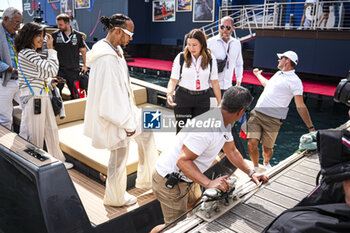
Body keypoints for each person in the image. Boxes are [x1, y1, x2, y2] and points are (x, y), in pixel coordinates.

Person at [151, 86, 269, 233]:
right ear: (241, 112)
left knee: (194, 210)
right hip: (169, 182)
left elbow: (231, 150)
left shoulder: (224, 120)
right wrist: (209, 183)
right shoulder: (206, 129)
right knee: (175, 229)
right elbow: (182, 161)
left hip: (188, 178)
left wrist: (251, 172)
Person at [84, 14, 158, 207]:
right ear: (118, 31)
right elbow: (108, 99)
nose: (131, 38)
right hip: (115, 118)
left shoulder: (115, 50)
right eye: (129, 34)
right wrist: (127, 124)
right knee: (118, 159)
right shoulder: (106, 59)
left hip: (125, 112)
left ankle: (147, 179)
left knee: (148, 130)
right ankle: (115, 198)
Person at [15, 22, 73, 169]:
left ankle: (57, 160)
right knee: (35, 134)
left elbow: (42, 74)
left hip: (41, 96)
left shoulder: (32, 53)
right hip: (35, 98)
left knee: (51, 130)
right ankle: (34, 164)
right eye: (37, 35)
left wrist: (48, 80)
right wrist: (51, 50)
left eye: (42, 35)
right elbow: (52, 69)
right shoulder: (27, 52)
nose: (41, 39)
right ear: (29, 36)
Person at [247, 51, 315, 170]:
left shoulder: (296, 81)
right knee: (251, 143)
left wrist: (310, 127)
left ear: (287, 60)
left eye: (280, 58)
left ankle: (267, 163)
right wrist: (257, 75)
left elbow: (300, 105)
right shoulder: (278, 73)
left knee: (267, 149)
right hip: (257, 113)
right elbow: (267, 85)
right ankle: (256, 167)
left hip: (274, 119)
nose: (278, 60)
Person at [166, 29, 221, 133]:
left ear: (202, 44)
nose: (191, 48)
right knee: (182, 131)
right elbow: (173, 79)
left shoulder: (211, 59)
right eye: (189, 44)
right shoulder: (181, 57)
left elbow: (214, 82)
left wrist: (219, 102)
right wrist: (169, 93)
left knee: (199, 133)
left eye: (194, 45)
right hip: (183, 98)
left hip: (203, 99)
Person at [52, 14, 87, 99]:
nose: (58, 27)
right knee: (56, 94)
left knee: (75, 94)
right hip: (59, 70)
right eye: (58, 24)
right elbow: (50, 51)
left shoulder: (78, 35)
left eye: (61, 25)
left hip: (73, 70)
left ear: (67, 23)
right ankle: (58, 111)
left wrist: (85, 65)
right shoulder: (55, 35)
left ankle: (75, 111)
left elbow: (83, 50)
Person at [207, 16, 244, 93]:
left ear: (233, 28)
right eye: (222, 27)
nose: (224, 30)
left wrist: (239, 79)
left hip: (228, 87)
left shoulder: (236, 43)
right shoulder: (210, 42)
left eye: (228, 27)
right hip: (211, 87)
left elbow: (239, 64)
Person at [0, 7, 22, 130]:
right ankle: (6, 147)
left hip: (19, 80)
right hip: (3, 82)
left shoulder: (17, 36)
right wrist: (11, 69)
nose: (18, 26)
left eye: (20, 23)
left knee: (31, 110)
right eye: (16, 22)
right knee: (5, 119)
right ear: (6, 19)